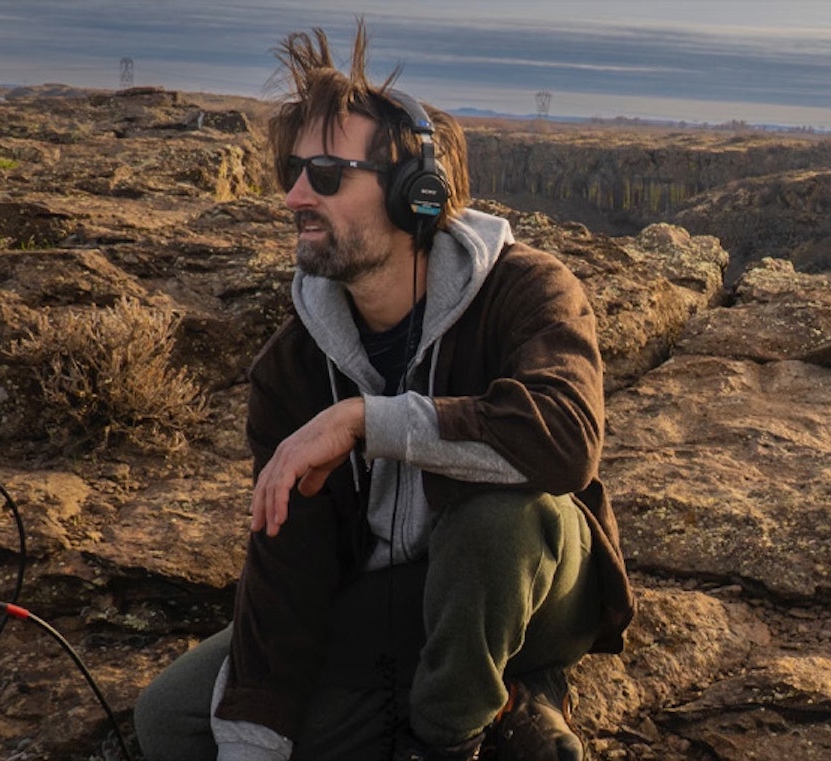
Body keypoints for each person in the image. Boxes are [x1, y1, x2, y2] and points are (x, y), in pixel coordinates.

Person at [134, 24, 634, 761]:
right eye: (292, 172)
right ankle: (510, 704)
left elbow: (564, 441)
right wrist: (255, 741)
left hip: (535, 586)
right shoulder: (292, 364)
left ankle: (451, 734)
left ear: (416, 195)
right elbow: (288, 564)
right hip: (394, 597)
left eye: (328, 174)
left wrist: (368, 421)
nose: (295, 197)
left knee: (492, 520)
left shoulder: (527, 289)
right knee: (171, 719)